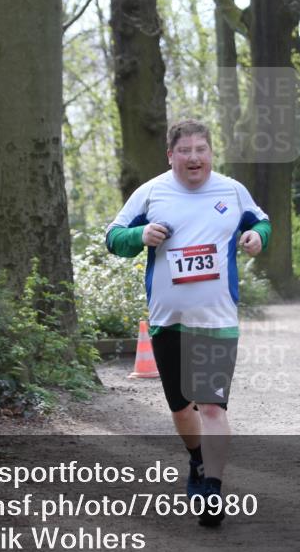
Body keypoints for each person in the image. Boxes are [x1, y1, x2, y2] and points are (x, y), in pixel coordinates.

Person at [105, 118, 271, 527]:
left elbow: (261, 221)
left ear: (211, 152)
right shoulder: (152, 192)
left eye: (201, 150)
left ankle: (212, 490)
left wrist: (258, 238)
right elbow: (112, 237)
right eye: (185, 151)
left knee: (211, 406)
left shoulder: (232, 191)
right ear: (171, 155)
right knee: (182, 410)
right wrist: (139, 236)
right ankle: (197, 459)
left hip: (216, 320)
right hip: (167, 322)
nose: (194, 158)